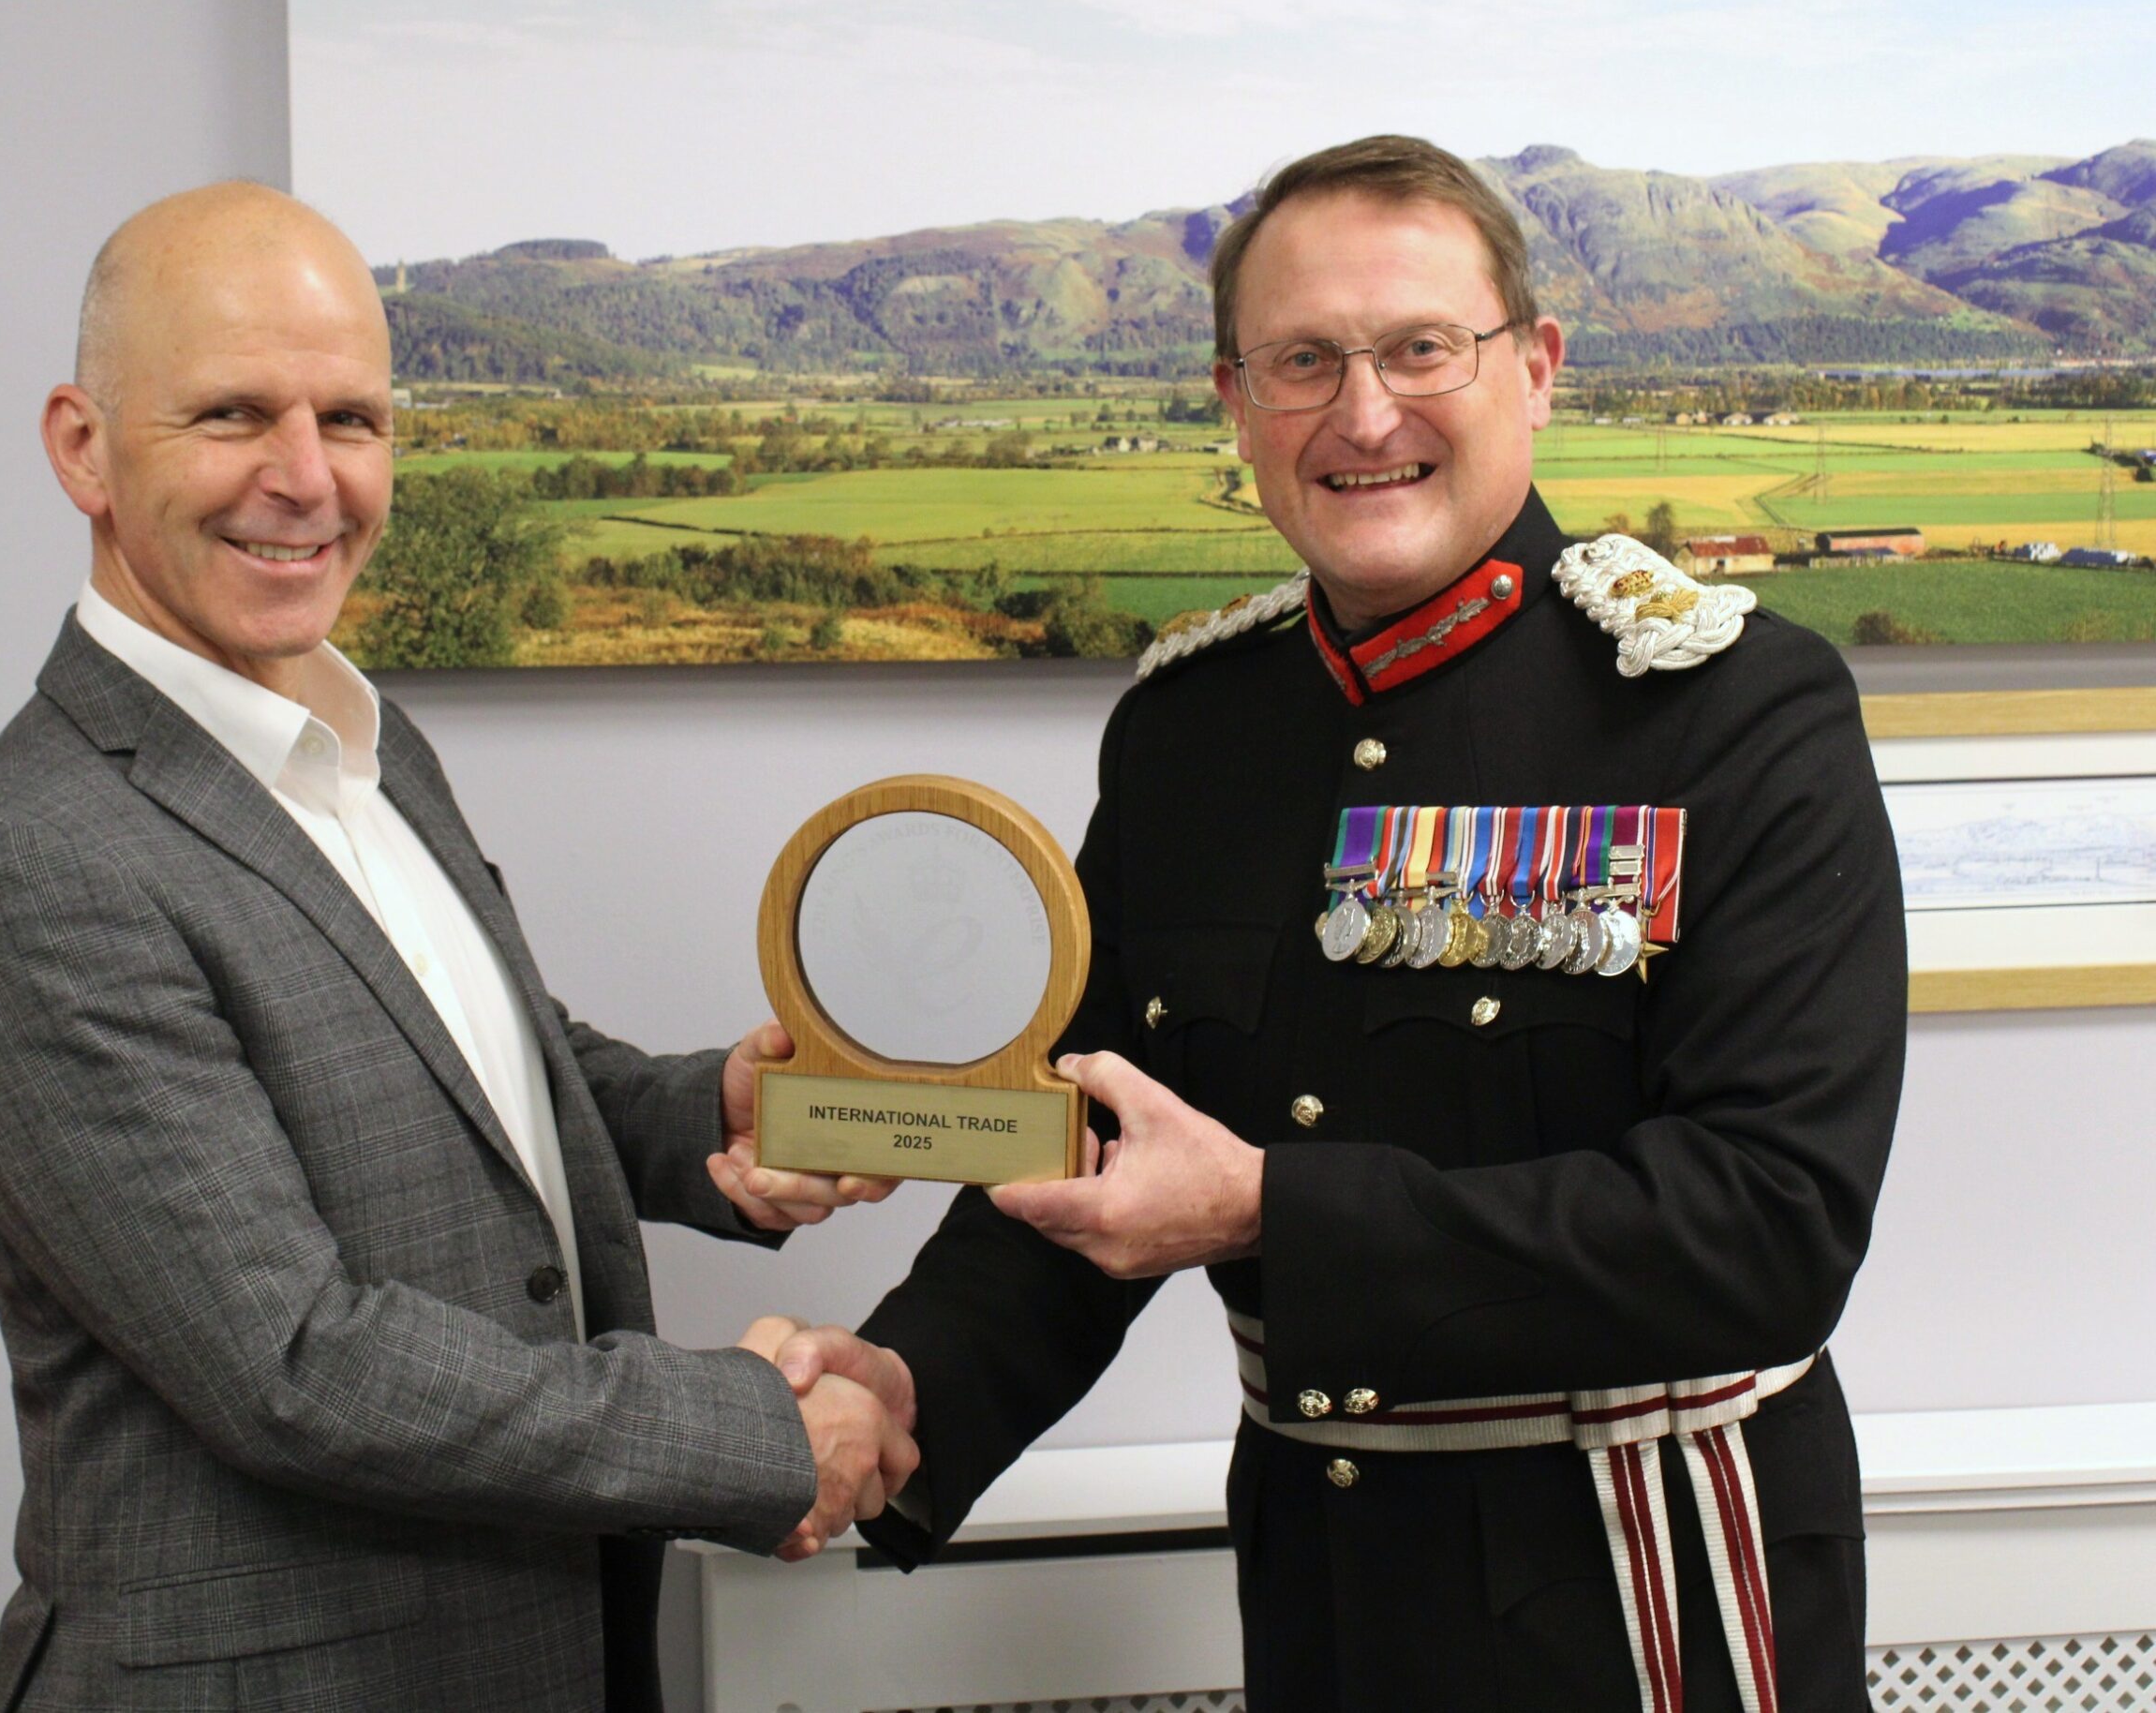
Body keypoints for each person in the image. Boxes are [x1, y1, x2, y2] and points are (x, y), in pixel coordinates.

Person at [789, 136, 1903, 1711]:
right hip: (1326, 1590)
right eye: (1303, 361)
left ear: (1536, 367)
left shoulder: (1733, 710)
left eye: (1419, 347)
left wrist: (1267, 1213)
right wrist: (906, 1383)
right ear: (1236, 401)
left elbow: (1770, 1222)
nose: (1363, 414)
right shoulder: (1190, 733)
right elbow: (1089, 1144)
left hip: (1650, 1590)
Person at [0, 182, 913, 1713]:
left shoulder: (361, 733)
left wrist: (706, 1116)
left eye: (353, 419)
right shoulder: (37, 867)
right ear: (83, 448)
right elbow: (296, 1362)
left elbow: (483, 1062)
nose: (306, 479)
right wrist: (754, 1433)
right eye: (234, 413)